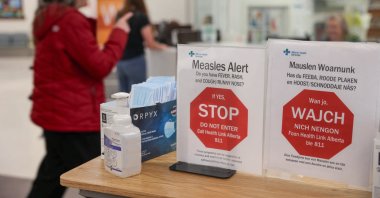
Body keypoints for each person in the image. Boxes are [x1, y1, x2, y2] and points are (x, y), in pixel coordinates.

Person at [27, 0, 132, 197]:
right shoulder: (70, 20)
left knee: (52, 174)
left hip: (56, 112)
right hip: (74, 117)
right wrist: (119, 33)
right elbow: (100, 66)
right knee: (100, 180)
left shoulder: (48, 17)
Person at [116, 0, 167, 93]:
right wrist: (163, 47)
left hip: (120, 61)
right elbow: (150, 43)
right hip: (135, 61)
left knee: (122, 98)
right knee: (138, 96)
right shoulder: (141, 17)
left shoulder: (120, 15)